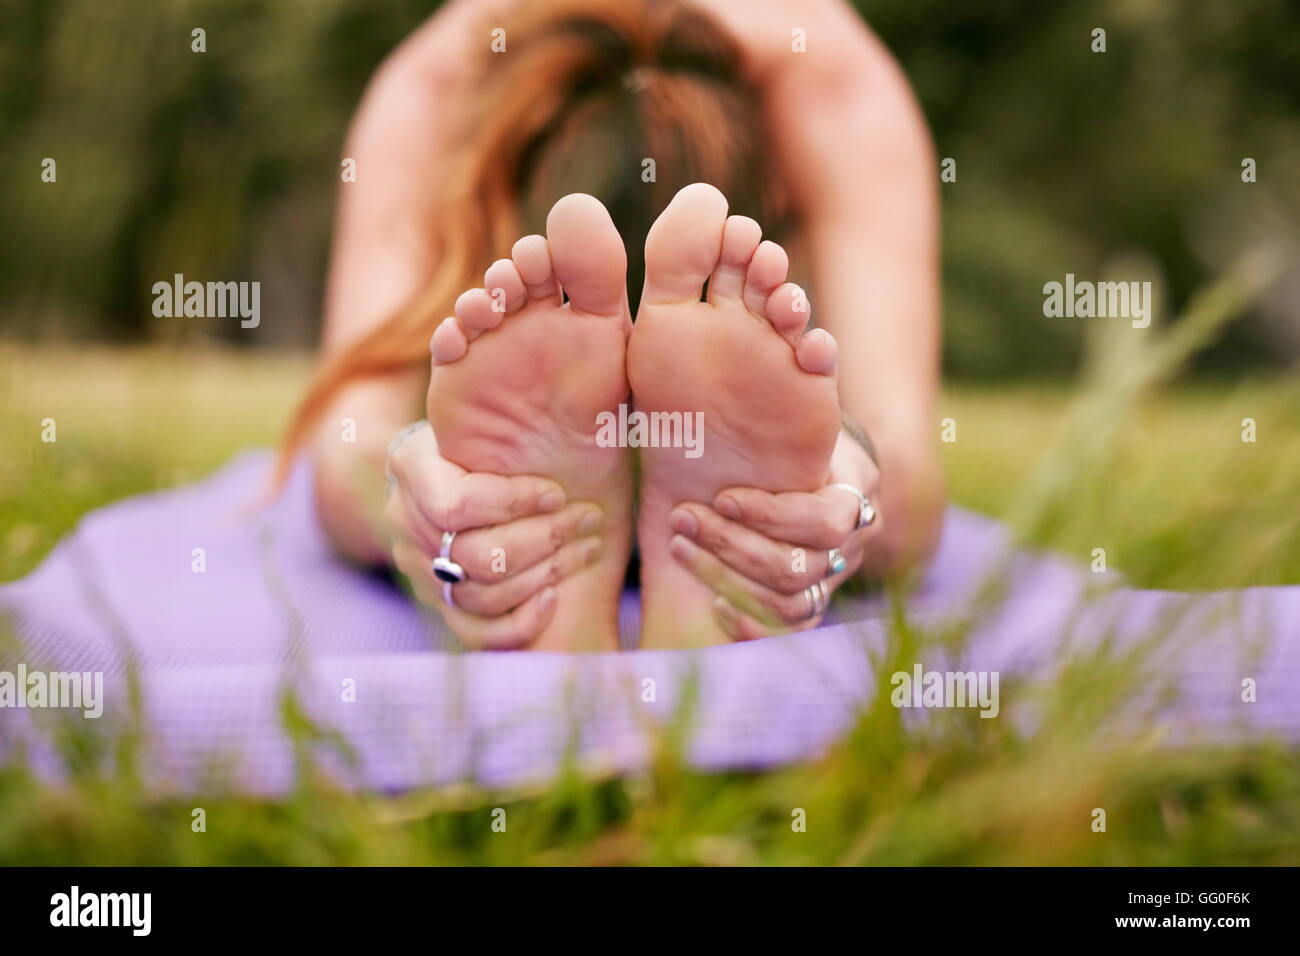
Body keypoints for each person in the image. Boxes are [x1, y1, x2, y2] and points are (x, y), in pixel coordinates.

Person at [279, 0, 944, 651]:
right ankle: (700, 554)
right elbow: (346, 446)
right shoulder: (435, 89)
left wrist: (843, 489)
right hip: (608, 459)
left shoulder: (828, 76)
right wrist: (419, 497)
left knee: (847, 470)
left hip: (596, 466)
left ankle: (571, 527)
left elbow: (344, 456)